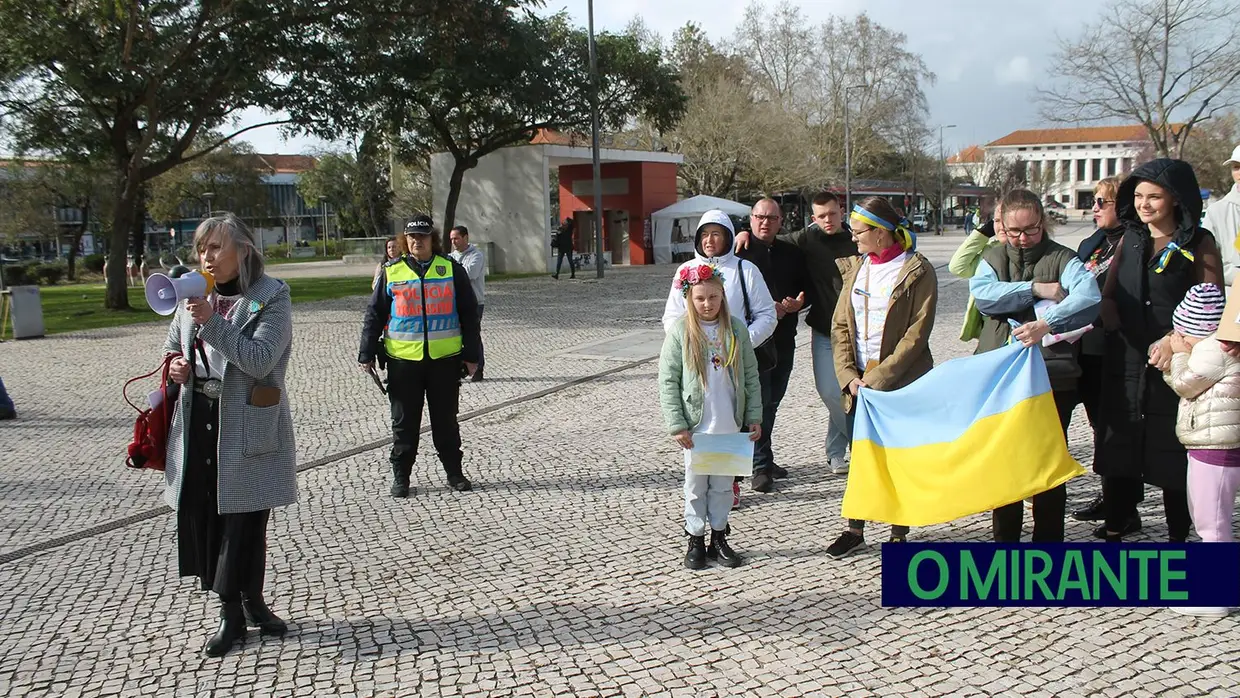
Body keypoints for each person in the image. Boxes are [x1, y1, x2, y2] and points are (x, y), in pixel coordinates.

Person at [161, 213, 298, 657]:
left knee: (246, 520)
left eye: (216, 248)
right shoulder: (190, 295)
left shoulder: (271, 297)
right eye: (202, 249)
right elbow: (170, 347)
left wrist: (210, 323)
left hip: (247, 421)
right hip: (200, 416)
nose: (207, 257)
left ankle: (248, 605)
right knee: (212, 518)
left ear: (244, 249)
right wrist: (176, 367)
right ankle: (233, 611)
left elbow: (259, 359)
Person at [1095, 158, 1223, 542]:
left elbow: (1211, 299)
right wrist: (1115, 324)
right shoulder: (1130, 239)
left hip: (1175, 359)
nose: (1144, 204)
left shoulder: (1199, 243)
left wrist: (1173, 338)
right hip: (1127, 357)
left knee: (1171, 449)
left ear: (1176, 199)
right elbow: (1109, 293)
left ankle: (1178, 533)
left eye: (1154, 197)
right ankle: (1118, 520)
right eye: (1137, 196)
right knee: (1119, 444)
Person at [969, 189, 1101, 542]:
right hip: (1001, 376)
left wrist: (1047, 323)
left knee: (1048, 462)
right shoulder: (993, 257)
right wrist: (1035, 289)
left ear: (1043, 223)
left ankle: (1049, 543)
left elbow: (1088, 297)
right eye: (1014, 232)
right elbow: (984, 295)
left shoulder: (1063, 257)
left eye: (1031, 230)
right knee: (1005, 462)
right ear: (1003, 227)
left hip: (1052, 376)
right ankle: (1006, 544)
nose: (1023, 238)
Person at [826, 197, 937, 558]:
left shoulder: (917, 270)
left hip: (898, 381)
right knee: (861, 456)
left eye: (858, 232)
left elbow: (916, 336)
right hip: (858, 382)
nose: (853, 238)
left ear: (880, 232)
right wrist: (848, 374)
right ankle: (855, 528)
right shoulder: (856, 268)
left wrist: (879, 377)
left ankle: (898, 534)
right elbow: (841, 325)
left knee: (897, 457)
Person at [358, 215, 482, 498]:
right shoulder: (392, 271)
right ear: (405, 239)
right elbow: (374, 314)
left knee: (446, 422)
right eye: (412, 237)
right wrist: (365, 352)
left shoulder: (450, 269)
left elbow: (468, 315)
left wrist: (472, 355)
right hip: (403, 364)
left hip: (444, 362)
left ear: (432, 239)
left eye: (423, 236)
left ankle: (455, 473)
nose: (417, 241)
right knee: (404, 424)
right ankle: (401, 477)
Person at [735, 192, 858, 474]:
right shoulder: (806, 239)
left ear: (842, 211)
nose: (828, 220)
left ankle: (835, 452)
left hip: (858, 331)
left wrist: (799, 302)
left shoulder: (857, 239)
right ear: (813, 219)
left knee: (846, 392)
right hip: (825, 331)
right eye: (821, 216)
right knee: (829, 391)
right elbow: (766, 237)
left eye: (833, 213)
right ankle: (865, 444)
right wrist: (742, 233)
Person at [663, 210, 776, 509]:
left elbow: (767, 314)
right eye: (704, 234)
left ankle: (731, 484)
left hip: (735, 360)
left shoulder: (745, 270)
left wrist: (742, 344)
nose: (709, 240)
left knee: (733, 419)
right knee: (703, 419)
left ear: (728, 235)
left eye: (716, 233)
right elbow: (672, 316)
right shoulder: (685, 271)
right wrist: (686, 345)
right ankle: (698, 499)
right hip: (698, 359)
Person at [658, 265, 761, 570]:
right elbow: (668, 379)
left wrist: (754, 414)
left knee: (723, 485)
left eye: (713, 297)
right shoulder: (681, 332)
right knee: (696, 485)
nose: (707, 304)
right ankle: (695, 537)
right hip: (697, 426)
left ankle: (719, 534)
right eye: (700, 298)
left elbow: (751, 375)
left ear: (722, 296)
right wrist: (677, 423)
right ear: (690, 299)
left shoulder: (736, 330)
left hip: (729, 423)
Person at [1162, 281, 1238, 617]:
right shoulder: (1216, 346)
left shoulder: (1210, 349)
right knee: (1212, 518)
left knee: (1212, 522)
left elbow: (1184, 384)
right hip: (1212, 443)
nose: (1179, 337)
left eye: (1182, 333)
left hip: (1215, 447)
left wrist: (1177, 355)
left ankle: (1215, 595)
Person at [1070, 178, 1134, 528]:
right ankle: (1113, 497)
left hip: (1112, 348)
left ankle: (1122, 506)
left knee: (1112, 429)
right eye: (1093, 201)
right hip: (1082, 349)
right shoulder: (1092, 244)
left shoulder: (1136, 244)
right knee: (1098, 428)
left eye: (1102, 202)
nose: (1094, 207)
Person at [736, 198, 809, 492]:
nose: (765, 222)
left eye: (771, 218)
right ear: (751, 219)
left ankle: (763, 455)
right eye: (759, 217)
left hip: (784, 337)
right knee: (759, 403)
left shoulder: (792, 252)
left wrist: (798, 303)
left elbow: (807, 288)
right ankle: (759, 466)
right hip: (754, 341)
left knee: (773, 401)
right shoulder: (739, 250)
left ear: (780, 222)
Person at [948, 197, 1006, 341]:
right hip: (988, 329)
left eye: (1006, 220)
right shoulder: (988, 250)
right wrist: (983, 233)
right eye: (997, 221)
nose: (1001, 226)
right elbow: (957, 267)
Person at [449, 225, 486, 383]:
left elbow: (470, 274)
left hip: (474, 301)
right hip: (454, 301)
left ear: (465, 237)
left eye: (456, 238)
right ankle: (460, 366)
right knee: (456, 335)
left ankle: (478, 367)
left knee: (473, 334)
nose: (454, 242)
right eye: (451, 239)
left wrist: (453, 272)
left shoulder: (476, 255)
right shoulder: (450, 257)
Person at [1202, 145, 1240, 286]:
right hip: (1234, 299)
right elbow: (1208, 261)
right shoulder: (1216, 212)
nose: (1239, 173)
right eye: (1236, 167)